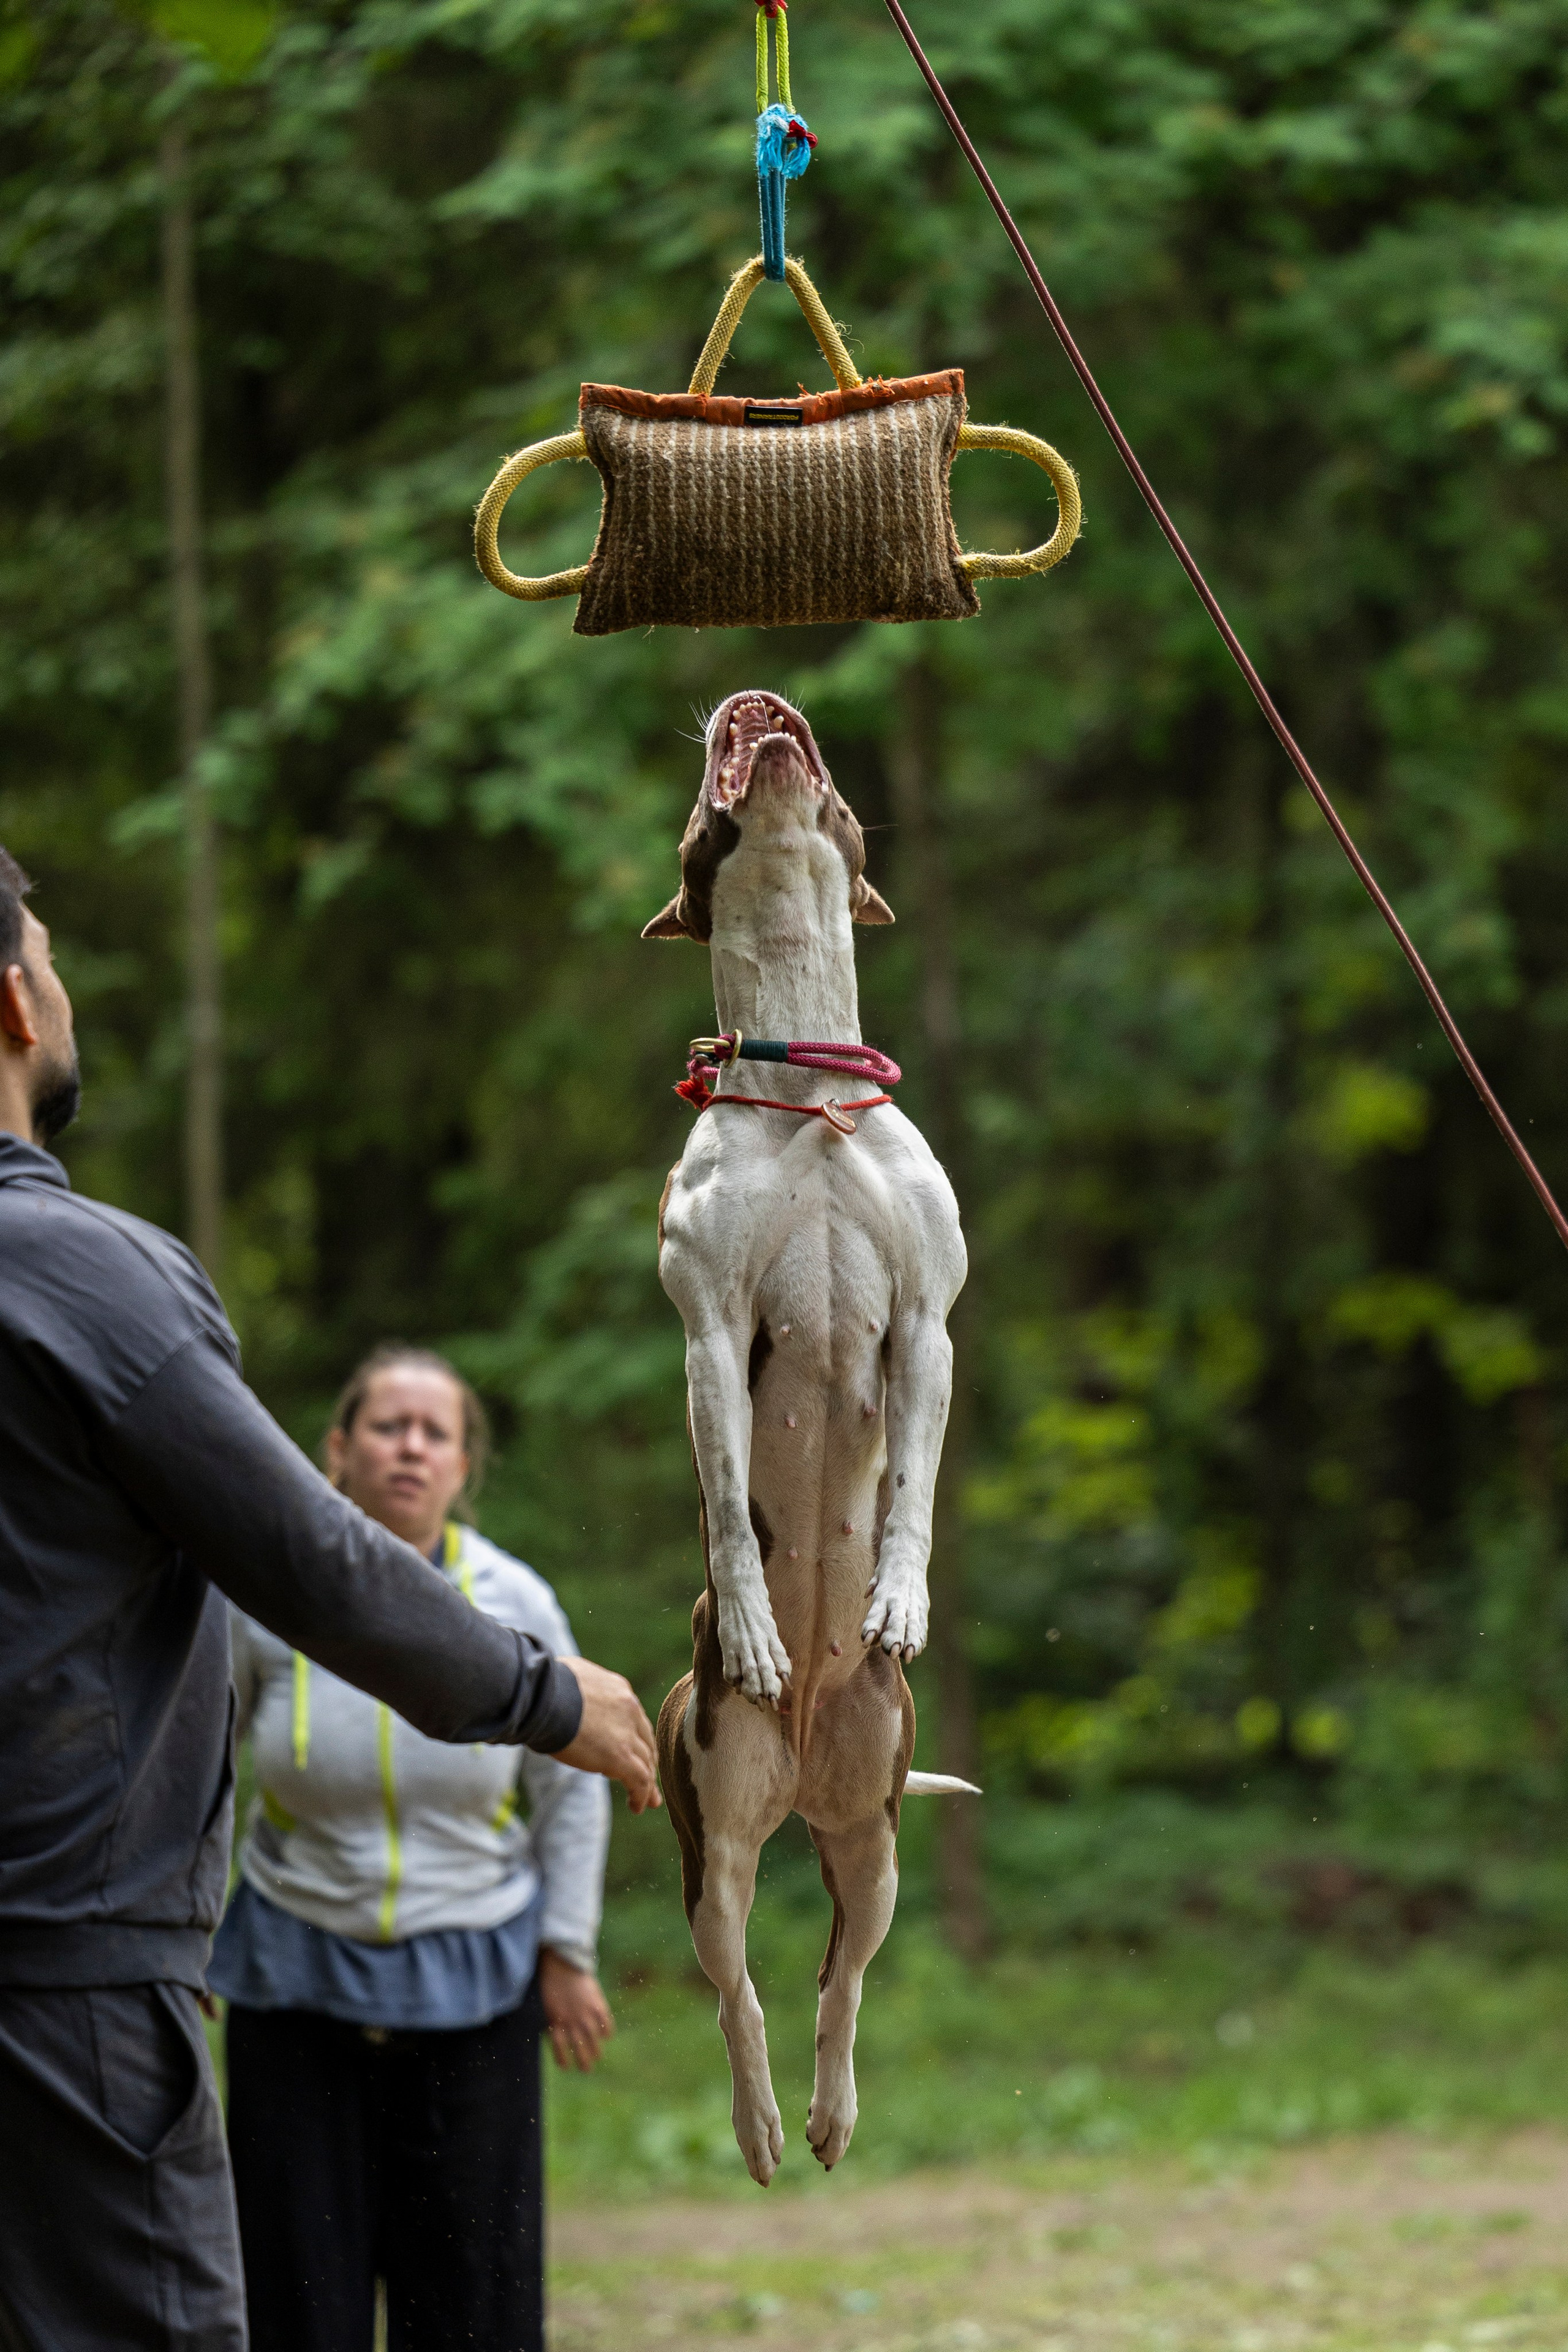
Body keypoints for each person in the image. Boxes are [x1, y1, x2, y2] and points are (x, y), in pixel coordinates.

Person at [0, 848, 660, 2352]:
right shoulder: (86, 1284)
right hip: (58, 1989)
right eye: (48, 952)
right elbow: (311, 1564)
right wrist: (550, 1695)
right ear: (14, 1005)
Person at [211, 1345, 615, 2352]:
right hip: (289, 1981)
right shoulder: (265, 1597)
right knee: (299, 2295)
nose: (412, 1448)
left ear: (464, 1466)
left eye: (436, 1433)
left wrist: (566, 1950)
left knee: (474, 2294)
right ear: (337, 1451)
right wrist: (180, 1933)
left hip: (478, 1980)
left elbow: (570, 1790)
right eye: (389, 1427)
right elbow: (199, 1766)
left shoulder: (517, 1602)